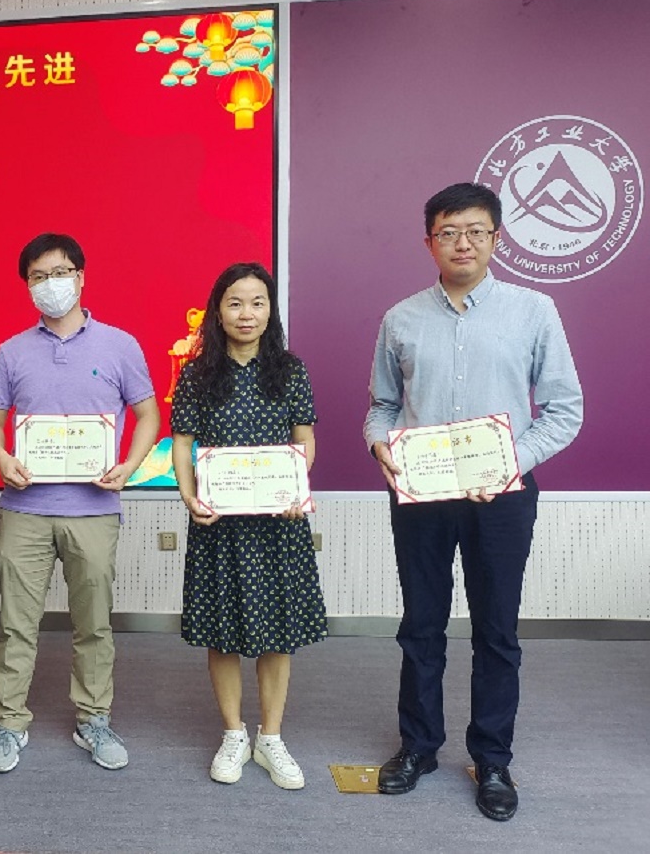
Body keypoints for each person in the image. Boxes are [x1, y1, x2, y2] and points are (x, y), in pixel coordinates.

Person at [364, 182, 583, 821]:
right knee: (421, 626)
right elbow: (382, 406)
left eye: (476, 231)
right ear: (429, 241)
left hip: (502, 497)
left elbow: (565, 410)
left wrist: (513, 461)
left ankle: (492, 759)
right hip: (422, 496)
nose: (463, 243)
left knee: (496, 630)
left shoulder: (534, 311)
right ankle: (418, 747)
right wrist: (379, 443)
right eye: (449, 232)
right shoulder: (401, 318)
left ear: (495, 238)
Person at [0, 232, 160, 773]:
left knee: (94, 625)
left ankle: (93, 718)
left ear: (80, 277)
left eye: (59, 273)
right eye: (37, 277)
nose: (49, 284)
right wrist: (2, 456)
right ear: (27, 286)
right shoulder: (12, 351)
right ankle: (10, 723)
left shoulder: (120, 345)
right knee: (16, 625)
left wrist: (130, 466)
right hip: (25, 509)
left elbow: (148, 414)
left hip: (94, 511)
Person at [170, 262, 327, 788]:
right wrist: (190, 496)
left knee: (279, 633)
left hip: (278, 524)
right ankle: (233, 733)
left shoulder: (290, 370)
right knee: (222, 632)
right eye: (235, 303)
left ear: (270, 311)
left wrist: (296, 487)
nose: (246, 313)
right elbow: (183, 444)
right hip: (219, 524)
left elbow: (305, 440)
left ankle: (271, 737)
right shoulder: (197, 374)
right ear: (218, 311)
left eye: (258, 303)